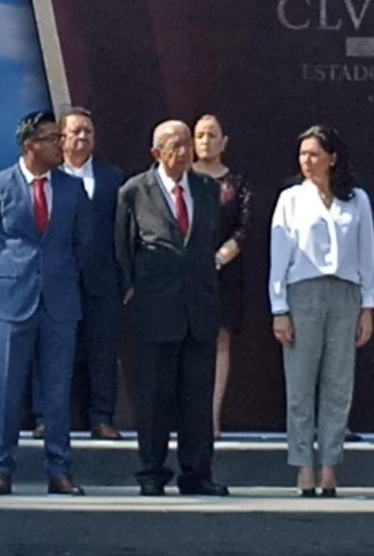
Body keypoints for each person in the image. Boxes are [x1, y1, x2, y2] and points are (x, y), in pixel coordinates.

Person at [0, 110, 92, 496]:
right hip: (11, 301)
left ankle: (59, 470)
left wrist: (60, 275)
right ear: (30, 145)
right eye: (53, 139)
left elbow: (81, 243)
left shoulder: (71, 190)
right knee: (6, 389)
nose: (62, 144)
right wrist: (7, 275)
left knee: (57, 391)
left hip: (59, 301)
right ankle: (1, 468)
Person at [116, 120, 229, 496]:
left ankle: (197, 473)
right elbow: (122, 249)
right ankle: (151, 472)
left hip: (198, 309)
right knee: (154, 399)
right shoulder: (134, 191)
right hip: (155, 310)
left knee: (197, 399)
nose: (185, 152)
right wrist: (133, 289)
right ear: (156, 153)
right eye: (175, 146)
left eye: (187, 145)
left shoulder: (208, 189)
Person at [268, 125, 374, 497]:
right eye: (302, 155)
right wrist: (279, 308)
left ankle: (330, 465)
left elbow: (367, 255)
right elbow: (278, 257)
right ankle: (303, 466)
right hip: (303, 294)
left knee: (338, 385)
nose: (307, 161)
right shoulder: (291, 199)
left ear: (332, 158)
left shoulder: (356, 199)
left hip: (345, 295)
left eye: (314, 154)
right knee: (300, 385)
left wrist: (368, 305)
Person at [31, 107, 126, 441]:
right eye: (76, 132)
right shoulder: (47, 177)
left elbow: (125, 233)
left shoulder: (114, 179)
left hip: (102, 282)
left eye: (88, 131)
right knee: (53, 351)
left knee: (102, 352)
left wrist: (125, 280)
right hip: (57, 281)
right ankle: (47, 417)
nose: (82, 137)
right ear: (62, 137)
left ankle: (101, 418)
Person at [192, 114, 251, 439]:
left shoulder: (236, 184)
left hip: (224, 273)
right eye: (200, 135)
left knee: (219, 340)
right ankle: (190, 413)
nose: (205, 141)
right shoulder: (182, 179)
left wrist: (219, 257)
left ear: (224, 142)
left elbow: (244, 227)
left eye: (212, 135)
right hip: (186, 274)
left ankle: (211, 416)